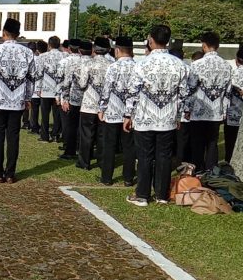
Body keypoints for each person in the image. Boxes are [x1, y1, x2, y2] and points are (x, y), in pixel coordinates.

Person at [124, 25, 190, 207]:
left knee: (144, 156)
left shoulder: (142, 64)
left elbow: (133, 92)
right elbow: (184, 93)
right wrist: (179, 117)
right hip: (167, 118)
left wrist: (127, 114)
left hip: (145, 117)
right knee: (164, 156)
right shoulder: (179, 65)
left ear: (151, 40)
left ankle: (142, 195)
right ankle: (161, 194)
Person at [0, 18, 36, 184]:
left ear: (4, 32)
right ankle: (10, 173)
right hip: (17, 100)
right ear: (18, 34)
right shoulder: (27, 52)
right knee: (13, 137)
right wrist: (28, 98)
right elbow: (31, 78)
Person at [186, 32, 232, 173]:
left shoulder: (197, 65)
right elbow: (227, 92)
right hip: (216, 111)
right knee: (213, 143)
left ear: (204, 45)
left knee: (197, 143)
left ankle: (198, 170)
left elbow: (190, 89)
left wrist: (187, 108)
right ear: (217, 46)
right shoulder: (227, 66)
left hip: (198, 110)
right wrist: (224, 111)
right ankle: (211, 171)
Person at [98, 36, 137, 186]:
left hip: (114, 110)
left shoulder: (113, 67)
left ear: (118, 50)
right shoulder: (137, 66)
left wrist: (101, 107)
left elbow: (106, 89)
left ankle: (107, 177)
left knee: (110, 145)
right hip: (131, 112)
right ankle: (128, 177)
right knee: (129, 146)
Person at [75, 38, 113, 170]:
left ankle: (84, 161)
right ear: (108, 49)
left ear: (94, 49)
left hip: (89, 103)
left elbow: (82, 84)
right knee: (102, 135)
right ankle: (102, 161)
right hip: (105, 105)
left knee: (86, 134)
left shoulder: (88, 64)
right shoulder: (111, 65)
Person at [59, 39, 85, 160]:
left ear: (69, 48)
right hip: (84, 98)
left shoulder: (67, 61)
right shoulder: (84, 60)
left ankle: (69, 149)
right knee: (81, 126)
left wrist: (64, 98)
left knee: (70, 125)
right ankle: (80, 148)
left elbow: (64, 81)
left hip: (73, 97)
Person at [36, 36, 65, 142]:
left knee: (44, 114)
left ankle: (44, 135)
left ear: (49, 45)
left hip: (46, 88)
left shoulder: (43, 57)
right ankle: (56, 134)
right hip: (59, 88)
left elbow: (39, 73)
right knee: (57, 114)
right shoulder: (64, 56)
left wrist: (38, 88)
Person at [224, 46, 243, 164]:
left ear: (237, 59)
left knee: (231, 143)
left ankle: (229, 163)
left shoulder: (235, 73)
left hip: (233, 114)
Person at [29, 40, 48, 134]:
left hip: (36, 87)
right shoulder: (47, 58)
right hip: (47, 88)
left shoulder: (35, 59)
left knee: (35, 109)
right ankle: (44, 128)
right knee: (45, 111)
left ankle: (34, 126)